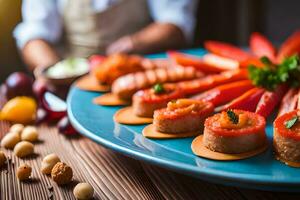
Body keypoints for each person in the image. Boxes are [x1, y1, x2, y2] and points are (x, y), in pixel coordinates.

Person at [14, 0, 198, 71]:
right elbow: (34, 35)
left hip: (137, 75)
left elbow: (176, 24)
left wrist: (134, 43)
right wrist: (54, 73)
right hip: (69, 87)